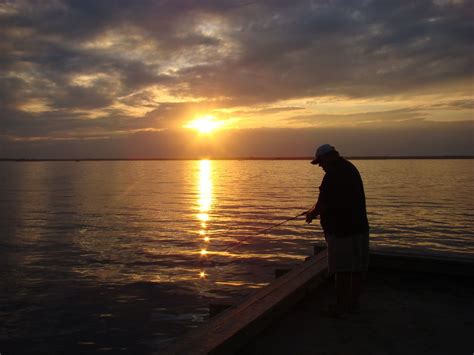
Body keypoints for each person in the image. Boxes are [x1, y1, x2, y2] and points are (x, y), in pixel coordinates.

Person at [305, 144, 369, 317]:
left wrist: (311, 214)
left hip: (342, 231)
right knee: (355, 269)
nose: (320, 166)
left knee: (341, 270)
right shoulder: (349, 168)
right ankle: (353, 305)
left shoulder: (332, 175)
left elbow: (322, 204)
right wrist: (314, 210)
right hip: (359, 227)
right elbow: (326, 200)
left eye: (321, 162)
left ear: (329, 157)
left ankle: (341, 307)